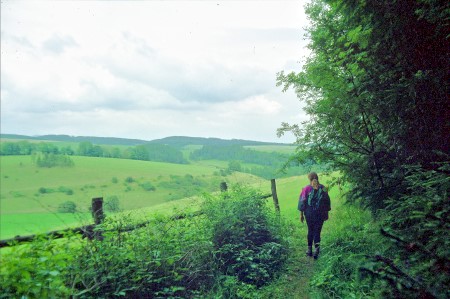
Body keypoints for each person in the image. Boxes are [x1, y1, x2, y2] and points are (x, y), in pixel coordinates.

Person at [298, 172, 331, 259]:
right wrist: (326, 213)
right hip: (320, 213)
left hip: (309, 214)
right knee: (317, 231)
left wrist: (301, 215)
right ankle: (316, 250)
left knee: (310, 230)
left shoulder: (306, 189)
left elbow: (302, 202)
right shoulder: (323, 188)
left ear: (310, 179)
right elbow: (327, 202)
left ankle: (309, 250)